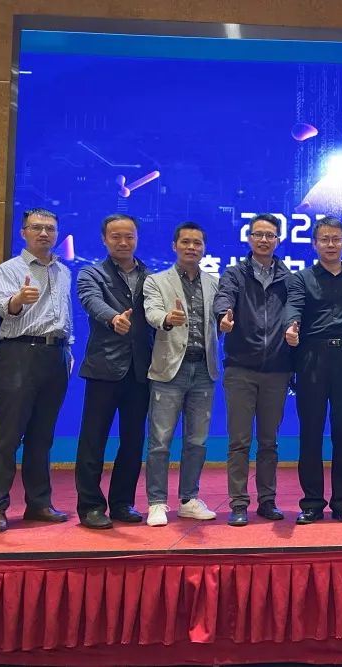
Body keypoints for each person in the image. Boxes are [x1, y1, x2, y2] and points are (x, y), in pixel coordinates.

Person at [0, 208, 74, 533]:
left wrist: (68, 349)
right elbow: (2, 307)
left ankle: (38, 503)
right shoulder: (10, 269)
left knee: (42, 436)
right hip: (20, 352)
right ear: (24, 232)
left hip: (56, 355)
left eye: (50, 228)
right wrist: (19, 299)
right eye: (37, 228)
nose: (44, 233)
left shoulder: (63, 271)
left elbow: (64, 314)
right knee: (8, 435)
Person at [283, 216, 342, 525]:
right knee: (310, 434)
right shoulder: (302, 278)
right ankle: (312, 503)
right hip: (312, 358)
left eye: (336, 239)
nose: (331, 244)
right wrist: (291, 326)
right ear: (314, 244)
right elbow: (293, 307)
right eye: (325, 239)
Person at [213, 214, 293, 526]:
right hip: (241, 369)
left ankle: (267, 501)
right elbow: (224, 298)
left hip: (277, 370)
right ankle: (238, 503)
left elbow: (296, 311)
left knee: (269, 442)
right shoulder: (235, 274)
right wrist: (223, 316)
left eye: (269, 235)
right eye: (258, 234)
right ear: (249, 238)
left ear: (278, 240)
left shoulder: (288, 278)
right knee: (239, 441)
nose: (263, 240)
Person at [74, 213, 153, 529]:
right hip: (104, 369)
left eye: (129, 236)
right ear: (104, 239)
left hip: (141, 371)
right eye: (116, 236)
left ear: (137, 238)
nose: (123, 242)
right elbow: (91, 301)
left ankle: (122, 503)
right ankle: (91, 506)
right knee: (93, 441)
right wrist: (112, 318)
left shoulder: (151, 276)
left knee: (133, 442)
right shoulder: (91, 274)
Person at [141, 222, 219, 527]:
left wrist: (225, 325)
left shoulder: (214, 282)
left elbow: (220, 319)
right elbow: (151, 312)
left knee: (197, 441)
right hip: (169, 369)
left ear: (204, 248)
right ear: (175, 245)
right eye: (185, 242)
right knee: (160, 440)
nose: (191, 247)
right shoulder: (156, 281)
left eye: (197, 243)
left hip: (204, 369)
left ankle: (188, 499)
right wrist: (167, 319)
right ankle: (156, 502)